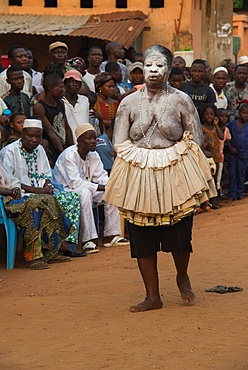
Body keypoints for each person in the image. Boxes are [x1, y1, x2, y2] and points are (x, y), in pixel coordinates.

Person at [104, 44, 216, 312]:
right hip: (139, 170)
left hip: (174, 170)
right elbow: (118, 142)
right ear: (142, 68)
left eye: (159, 66)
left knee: (179, 234)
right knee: (141, 236)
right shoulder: (129, 102)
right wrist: (136, 163)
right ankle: (152, 296)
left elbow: (195, 140)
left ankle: (182, 275)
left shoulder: (181, 100)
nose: (153, 71)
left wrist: (184, 167)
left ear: (169, 69)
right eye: (149, 66)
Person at [0, 118, 83, 258]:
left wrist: (48, 185)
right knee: (42, 202)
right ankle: (42, 251)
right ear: (22, 135)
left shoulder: (40, 150)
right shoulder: (10, 151)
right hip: (23, 194)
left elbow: (46, 174)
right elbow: (12, 181)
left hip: (42, 191)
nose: (34, 139)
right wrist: (37, 191)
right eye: (30, 136)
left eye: (38, 136)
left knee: (72, 198)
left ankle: (67, 244)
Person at [53, 123, 129, 254]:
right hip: (65, 190)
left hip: (87, 188)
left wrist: (110, 186)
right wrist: (101, 187)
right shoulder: (69, 156)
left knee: (111, 193)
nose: (93, 141)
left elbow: (101, 176)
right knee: (85, 193)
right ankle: (88, 240)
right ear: (79, 141)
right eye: (89, 138)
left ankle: (110, 235)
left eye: (94, 138)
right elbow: (75, 183)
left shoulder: (93, 155)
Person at [33, 74, 73, 166]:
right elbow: (50, 132)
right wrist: (64, 153)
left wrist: (72, 149)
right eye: (61, 87)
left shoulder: (61, 103)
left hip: (63, 146)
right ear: (52, 89)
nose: (64, 90)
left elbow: (67, 127)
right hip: (52, 148)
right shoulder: (39, 107)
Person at [199, 104, 224, 209]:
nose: (209, 117)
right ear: (203, 116)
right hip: (206, 157)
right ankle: (205, 203)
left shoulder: (214, 127)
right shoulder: (201, 128)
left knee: (215, 178)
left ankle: (214, 201)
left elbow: (221, 136)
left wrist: (216, 125)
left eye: (211, 114)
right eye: (206, 114)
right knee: (206, 179)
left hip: (216, 156)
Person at [227, 104, 248, 201]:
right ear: (239, 113)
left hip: (244, 153)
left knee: (241, 173)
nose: (246, 115)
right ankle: (232, 194)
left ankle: (239, 192)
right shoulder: (232, 124)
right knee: (232, 173)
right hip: (233, 152)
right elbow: (227, 137)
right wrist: (230, 147)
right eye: (244, 113)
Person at [63, 69, 89, 143]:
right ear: (65, 84)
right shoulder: (60, 101)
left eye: (78, 82)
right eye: (71, 81)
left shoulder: (85, 100)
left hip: (84, 143)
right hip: (67, 142)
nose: (75, 84)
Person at [216, 108, 231, 197]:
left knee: (218, 177)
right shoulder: (213, 128)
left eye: (226, 116)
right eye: (221, 116)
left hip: (221, 157)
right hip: (212, 157)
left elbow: (227, 142)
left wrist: (232, 149)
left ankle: (217, 196)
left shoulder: (226, 130)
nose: (224, 118)